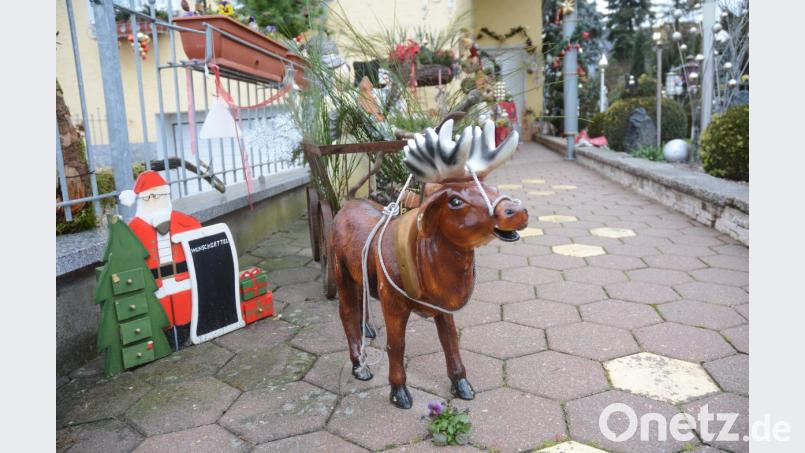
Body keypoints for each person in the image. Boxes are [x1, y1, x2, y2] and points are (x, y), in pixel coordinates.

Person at [119, 171, 202, 349]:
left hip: (181, 278)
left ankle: (187, 334)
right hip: (155, 282)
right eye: (151, 197)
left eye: (160, 195)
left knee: (184, 307)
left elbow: (197, 230)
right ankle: (167, 343)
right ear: (141, 200)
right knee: (161, 312)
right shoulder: (135, 227)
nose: (156, 200)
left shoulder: (179, 220)